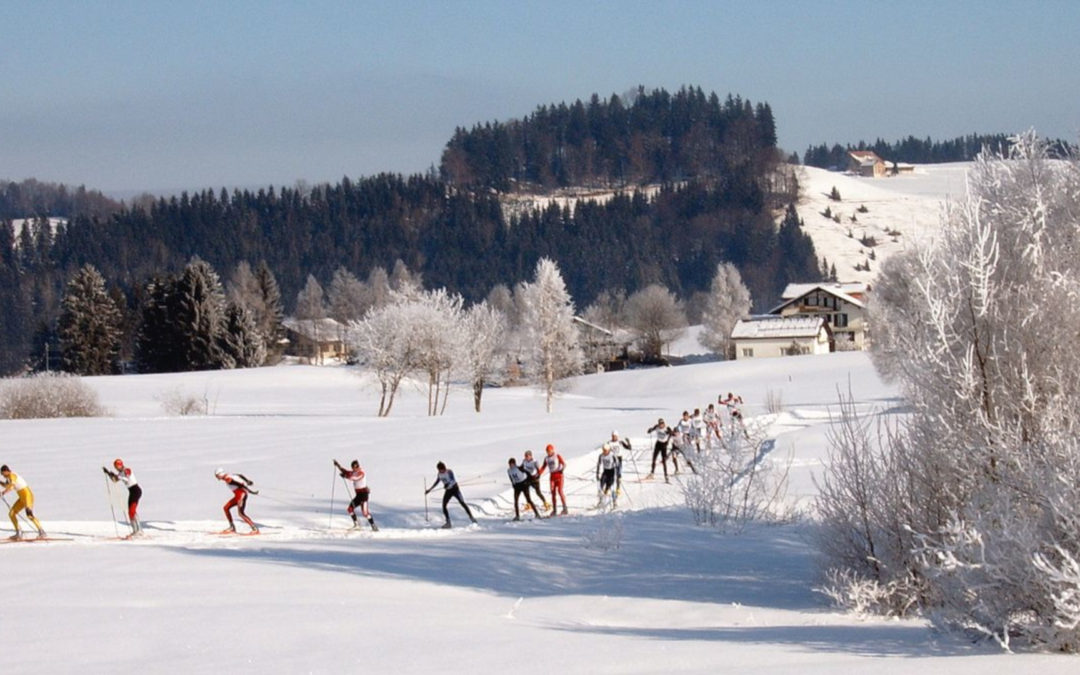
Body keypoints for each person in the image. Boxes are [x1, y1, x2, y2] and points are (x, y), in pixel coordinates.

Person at [425, 462, 477, 529]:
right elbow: (437, 482)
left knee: (462, 503)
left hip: (455, 489)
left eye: (442, 469)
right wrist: (429, 490)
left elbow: (453, 480)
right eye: (440, 470)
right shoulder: (439, 474)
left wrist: (448, 485)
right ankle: (448, 522)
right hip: (448, 491)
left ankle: (472, 518)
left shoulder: (449, 472)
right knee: (444, 506)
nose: (441, 471)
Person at [1, 465, 45, 540]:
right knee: (11, 514)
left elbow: (11, 486)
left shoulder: (12, 475)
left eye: (2, 473)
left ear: (6, 471)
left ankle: (42, 532)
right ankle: (19, 532)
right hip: (22, 498)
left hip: (28, 496)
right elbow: (6, 485)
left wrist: (3, 492)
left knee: (29, 515)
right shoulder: (9, 478)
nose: (2, 475)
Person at [334, 459, 378, 531]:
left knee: (365, 513)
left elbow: (355, 478)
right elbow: (346, 472)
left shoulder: (361, 473)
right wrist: (338, 465)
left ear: (358, 466)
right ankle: (356, 524)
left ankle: (373, 526)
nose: (354, 469)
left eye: (355, 467)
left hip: (364, 495)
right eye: (353, 468)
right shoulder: (354, 472)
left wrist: (345, 476)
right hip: (358, 495)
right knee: (350, 509)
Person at [103, 458, 142, 536]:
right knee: (130, 511)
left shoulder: (126, 470)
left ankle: (138, 531)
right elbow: (115, 480)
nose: (117, 468)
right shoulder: (120, 474)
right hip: (131, 491)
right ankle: (135, 530)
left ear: (121, 465)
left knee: (132, 510)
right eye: (115, 467)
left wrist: (118, 476)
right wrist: (108, 473)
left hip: (136, 490)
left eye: (118, 466)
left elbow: (127, 475)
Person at [214, 467, 259, 534]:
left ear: (220, 474)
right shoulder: (230, 475)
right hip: (238, 495)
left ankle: (255, 529)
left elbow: (239, 484)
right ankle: (232, 527)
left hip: (241, 495)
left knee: (241, 513)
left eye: (217, 476)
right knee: (226, 508)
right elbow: (240, 475)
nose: (217, 478)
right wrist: (247, 481)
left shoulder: (227, 479)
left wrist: (249, 490)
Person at [537, 444, 568, 516]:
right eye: (547, 451)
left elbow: (564, 464)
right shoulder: (546, 458)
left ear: (553, 450)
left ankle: (565, 508)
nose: (549, 453)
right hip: (552, 477)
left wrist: (562, 470)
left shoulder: (557, 456)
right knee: (553, 493)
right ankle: (554, 510)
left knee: (560, 491)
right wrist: (538, 474)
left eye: (550, 451)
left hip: (559, 475)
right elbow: (543, 467)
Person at [602, 431, 632, 499]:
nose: (613, 437)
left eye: (615, 436)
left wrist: (628, 442)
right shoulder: (609, 443)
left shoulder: (620, 442)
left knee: (618, 474)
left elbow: (629, 448)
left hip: (619, 459)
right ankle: (607, 488)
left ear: (617, 436)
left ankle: (618, 488)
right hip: (611, 459)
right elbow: (605, 450)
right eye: (612, 436)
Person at [644, 418, 674, 482]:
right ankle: (652, 473)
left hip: (664, 445)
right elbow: (650, 431)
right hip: (658, 444)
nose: (661, 425)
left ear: (664, 423)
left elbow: (672, 433)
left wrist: (668, 435)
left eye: (662, 423)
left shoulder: (667, 428)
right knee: (654, 458)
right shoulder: (656, 427)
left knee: (664, 461)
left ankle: (666, 475)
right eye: (660, 424)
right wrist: (650, 430)